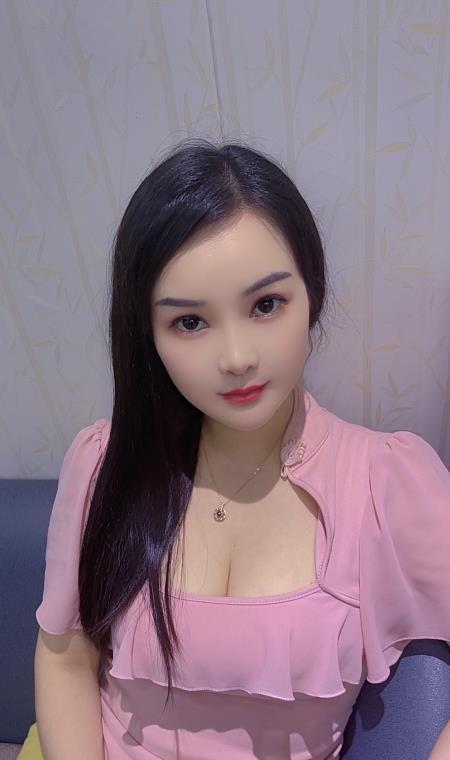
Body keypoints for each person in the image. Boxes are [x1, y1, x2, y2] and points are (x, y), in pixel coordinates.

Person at [34, 138, 450, 760]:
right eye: (189, 322)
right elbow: (65, 655)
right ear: (148, 335)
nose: (235, 358)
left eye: (265, 305)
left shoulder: (385, 482)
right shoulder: (102, 463)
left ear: (312, 295)